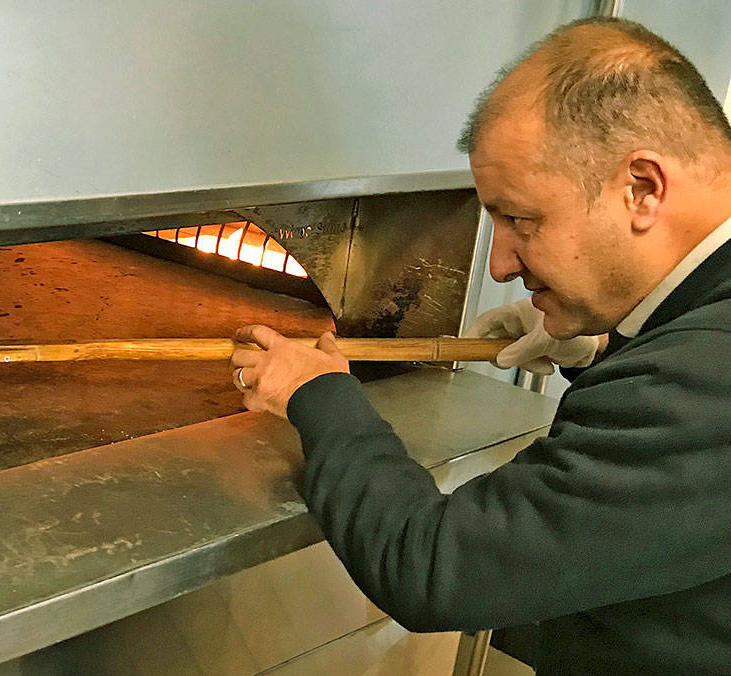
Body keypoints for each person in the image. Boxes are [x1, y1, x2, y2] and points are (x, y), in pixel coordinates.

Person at [230, 17, 731, 675]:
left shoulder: (702, 383)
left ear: (641, 189)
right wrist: (603, 354)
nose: (498, 267)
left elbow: (437, 566)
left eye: (521, 219)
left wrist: (317, 394)